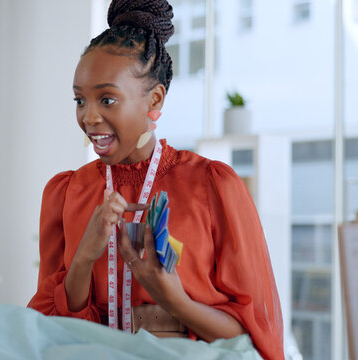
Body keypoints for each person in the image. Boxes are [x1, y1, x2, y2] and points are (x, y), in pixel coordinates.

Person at [27, 0, 284, 359]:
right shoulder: (68, 193)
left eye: (106, 99)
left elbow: (253, 339)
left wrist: (172, 298)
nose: (89, 117)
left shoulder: (213, 188)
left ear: (155, 99)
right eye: (80, 100)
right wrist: (84, 259)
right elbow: (46, 331)